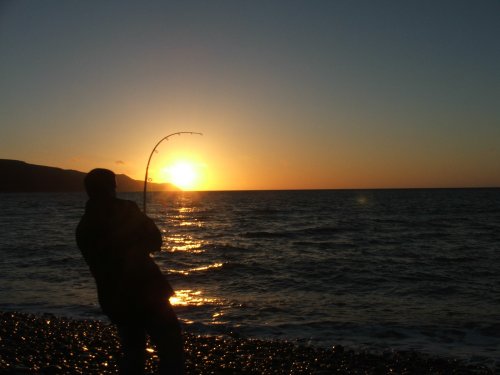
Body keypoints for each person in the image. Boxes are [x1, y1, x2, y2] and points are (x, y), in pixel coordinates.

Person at [76, 168, 183, 374]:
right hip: (148, 293)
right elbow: (155, 241)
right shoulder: (127, 208)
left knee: (133, 352)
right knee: (170, 348)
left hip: (114, 299)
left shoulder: (83, 227)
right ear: (111, 187)